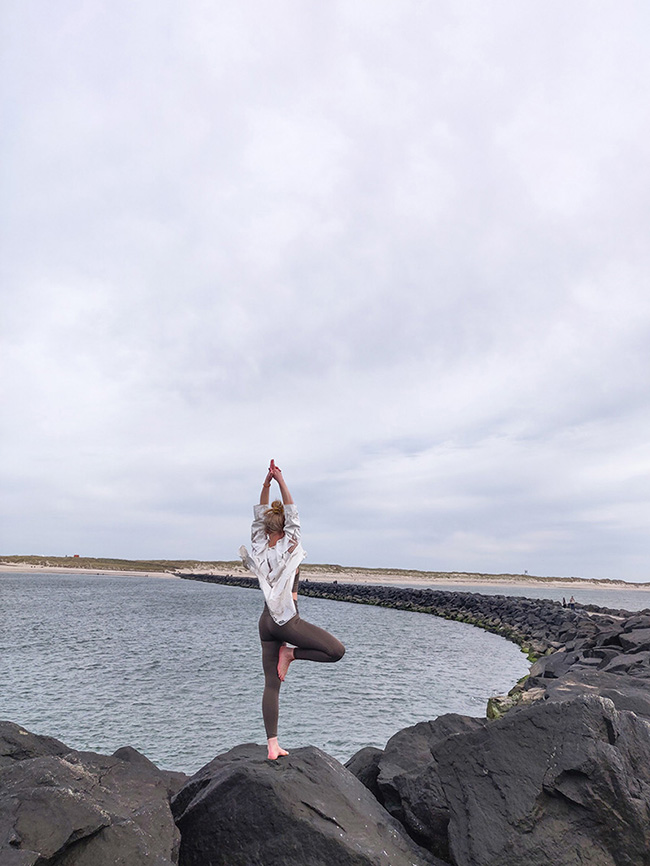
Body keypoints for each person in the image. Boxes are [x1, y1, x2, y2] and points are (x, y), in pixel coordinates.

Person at [239, 461, 345, 760]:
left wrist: (265, 484)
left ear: (264, 528)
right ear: (285, 526)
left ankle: (272, 745)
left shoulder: (258, 545)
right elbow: (292, 510)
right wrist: (280, 479)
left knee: (271, 685)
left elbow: (259, 514)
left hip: (265, 623)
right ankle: (292, 654)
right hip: (286, 621)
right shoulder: (291, 543)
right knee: (336, 651)